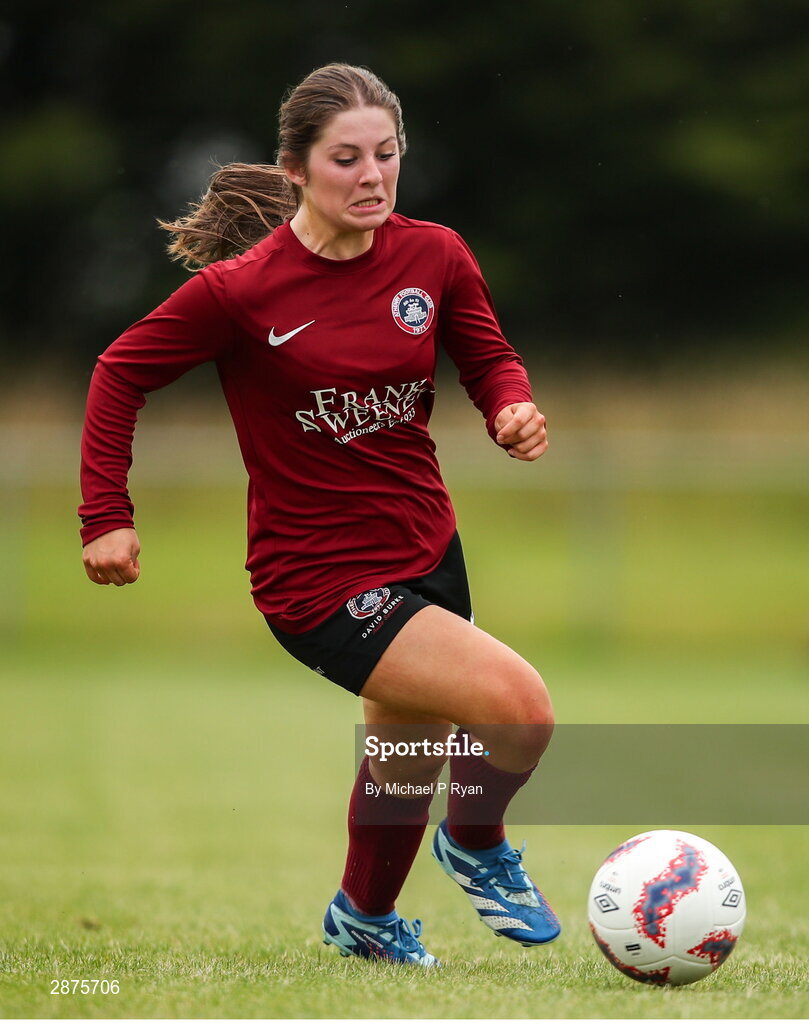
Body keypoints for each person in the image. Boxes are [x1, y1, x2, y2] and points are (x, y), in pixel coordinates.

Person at [79, 63, 560, 967]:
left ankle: (365, 919)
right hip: (317, 579)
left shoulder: (435, 256)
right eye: (346, 159)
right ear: (294, 168)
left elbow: (487, 354)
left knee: (406, 758)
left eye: (387, 155)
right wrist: (105, 512)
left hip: (427, 549)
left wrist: (509, 406)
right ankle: (479, 845)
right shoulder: (241, 292)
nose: (372, 176)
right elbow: (118, 373)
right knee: (519, 713)